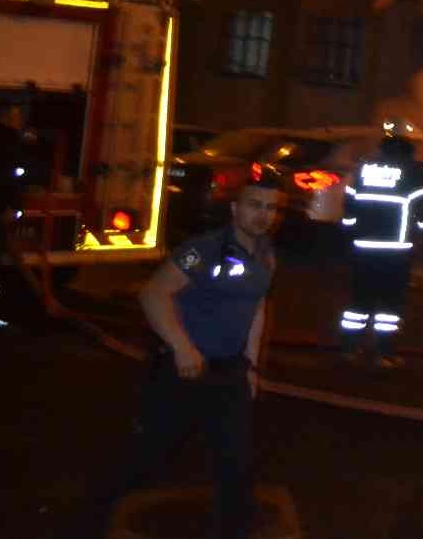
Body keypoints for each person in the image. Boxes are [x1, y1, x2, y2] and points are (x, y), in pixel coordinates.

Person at [89, 172, 285, 538]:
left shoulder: (266, 255)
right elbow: (153, 294)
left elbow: (256, 308)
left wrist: (251, 367)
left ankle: (235, 529)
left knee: (236, 461)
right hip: (183, 371)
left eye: (271, 207)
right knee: (149, 455)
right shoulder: (205, 249)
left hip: (230, 374)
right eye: (254, 204)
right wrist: (183, 347)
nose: (263, 215)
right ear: (234, 207)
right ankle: (94, 514)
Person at [338, 120, 423, 367]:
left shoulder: (364, 167)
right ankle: (384, 354)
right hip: (395, 252)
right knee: (389, 306)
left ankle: (349, 349)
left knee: (359, 301)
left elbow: (349, 206)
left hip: (362, 248)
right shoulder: (415, 173)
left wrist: (350, 233)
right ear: (409, 145)